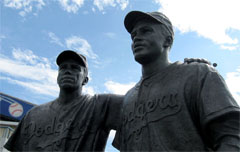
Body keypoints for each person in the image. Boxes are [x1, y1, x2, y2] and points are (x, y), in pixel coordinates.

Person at [113, 11, 240, 151]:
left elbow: (232, 135)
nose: (136, 38)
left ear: (167, 40)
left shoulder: (198, 73)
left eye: (145, 31)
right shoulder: (128, 98)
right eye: (133, 35)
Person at [4, 50, 123, 151]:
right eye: (63, 68)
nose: (67, 71)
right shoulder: (32, 115)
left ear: (85, 80)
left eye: (75, 68)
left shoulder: (100, 105)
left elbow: (139, 103)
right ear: (57, 76)